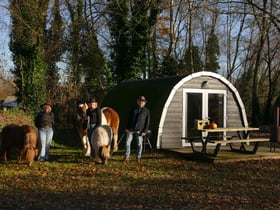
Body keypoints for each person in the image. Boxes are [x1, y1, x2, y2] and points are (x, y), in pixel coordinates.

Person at [124, 96, 150, 162]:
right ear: (137, 102)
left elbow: (147, 122)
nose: (141, 102)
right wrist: (127, 128)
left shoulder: (146, 111)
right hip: (130, 129)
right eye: (140, 101)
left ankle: (138, 157)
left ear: (144, 103)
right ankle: (127, 157)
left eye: (142, 101)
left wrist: (145, 131)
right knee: (127, 143)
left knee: (139, 144)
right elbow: (129, 119)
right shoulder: (133, 109)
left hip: (140, 130)